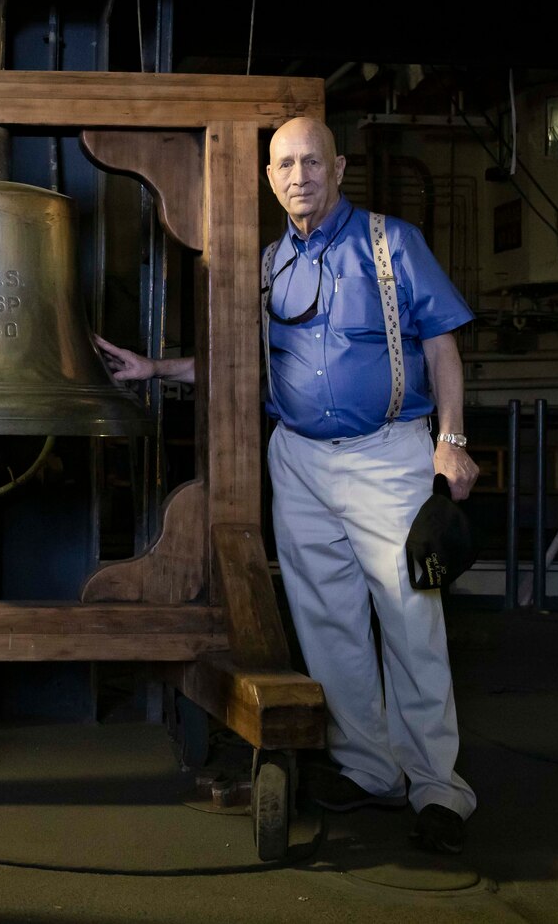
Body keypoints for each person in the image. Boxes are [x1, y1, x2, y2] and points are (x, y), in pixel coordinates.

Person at [95, 116, 478, 855]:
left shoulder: (391, 244)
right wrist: (156, 370)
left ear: (338, 168)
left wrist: (451, 442)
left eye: (310, 161)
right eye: (283, 165)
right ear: (269, 180)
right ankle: (371, 769)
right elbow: (243, 363)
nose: (297, 175)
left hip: (386, 453)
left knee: (410, 618)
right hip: (297, 458)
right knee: (327, 620)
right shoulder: (269, 262)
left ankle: (437, 787)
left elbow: (442, 342)